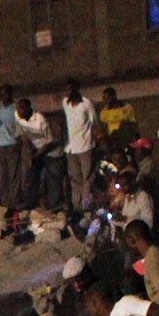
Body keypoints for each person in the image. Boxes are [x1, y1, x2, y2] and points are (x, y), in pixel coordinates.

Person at [62, 81, 98, 216]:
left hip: (85, 145)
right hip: (71, 148)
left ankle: (86, 207)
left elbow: (93, 121)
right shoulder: (65, 103)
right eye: (66, 90)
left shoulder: (86, 103)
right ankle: (77, 207)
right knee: (74, 178)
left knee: (87, 178)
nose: (68, 93)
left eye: (70, 90)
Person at [0, 85, 22, 213]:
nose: (5, 96)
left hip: (12, 143)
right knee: (2, 176)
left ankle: (14, 204)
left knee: (13, 175)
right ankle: (5, 204)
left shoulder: (15, 108)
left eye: (7, 93)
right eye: (2, 94)